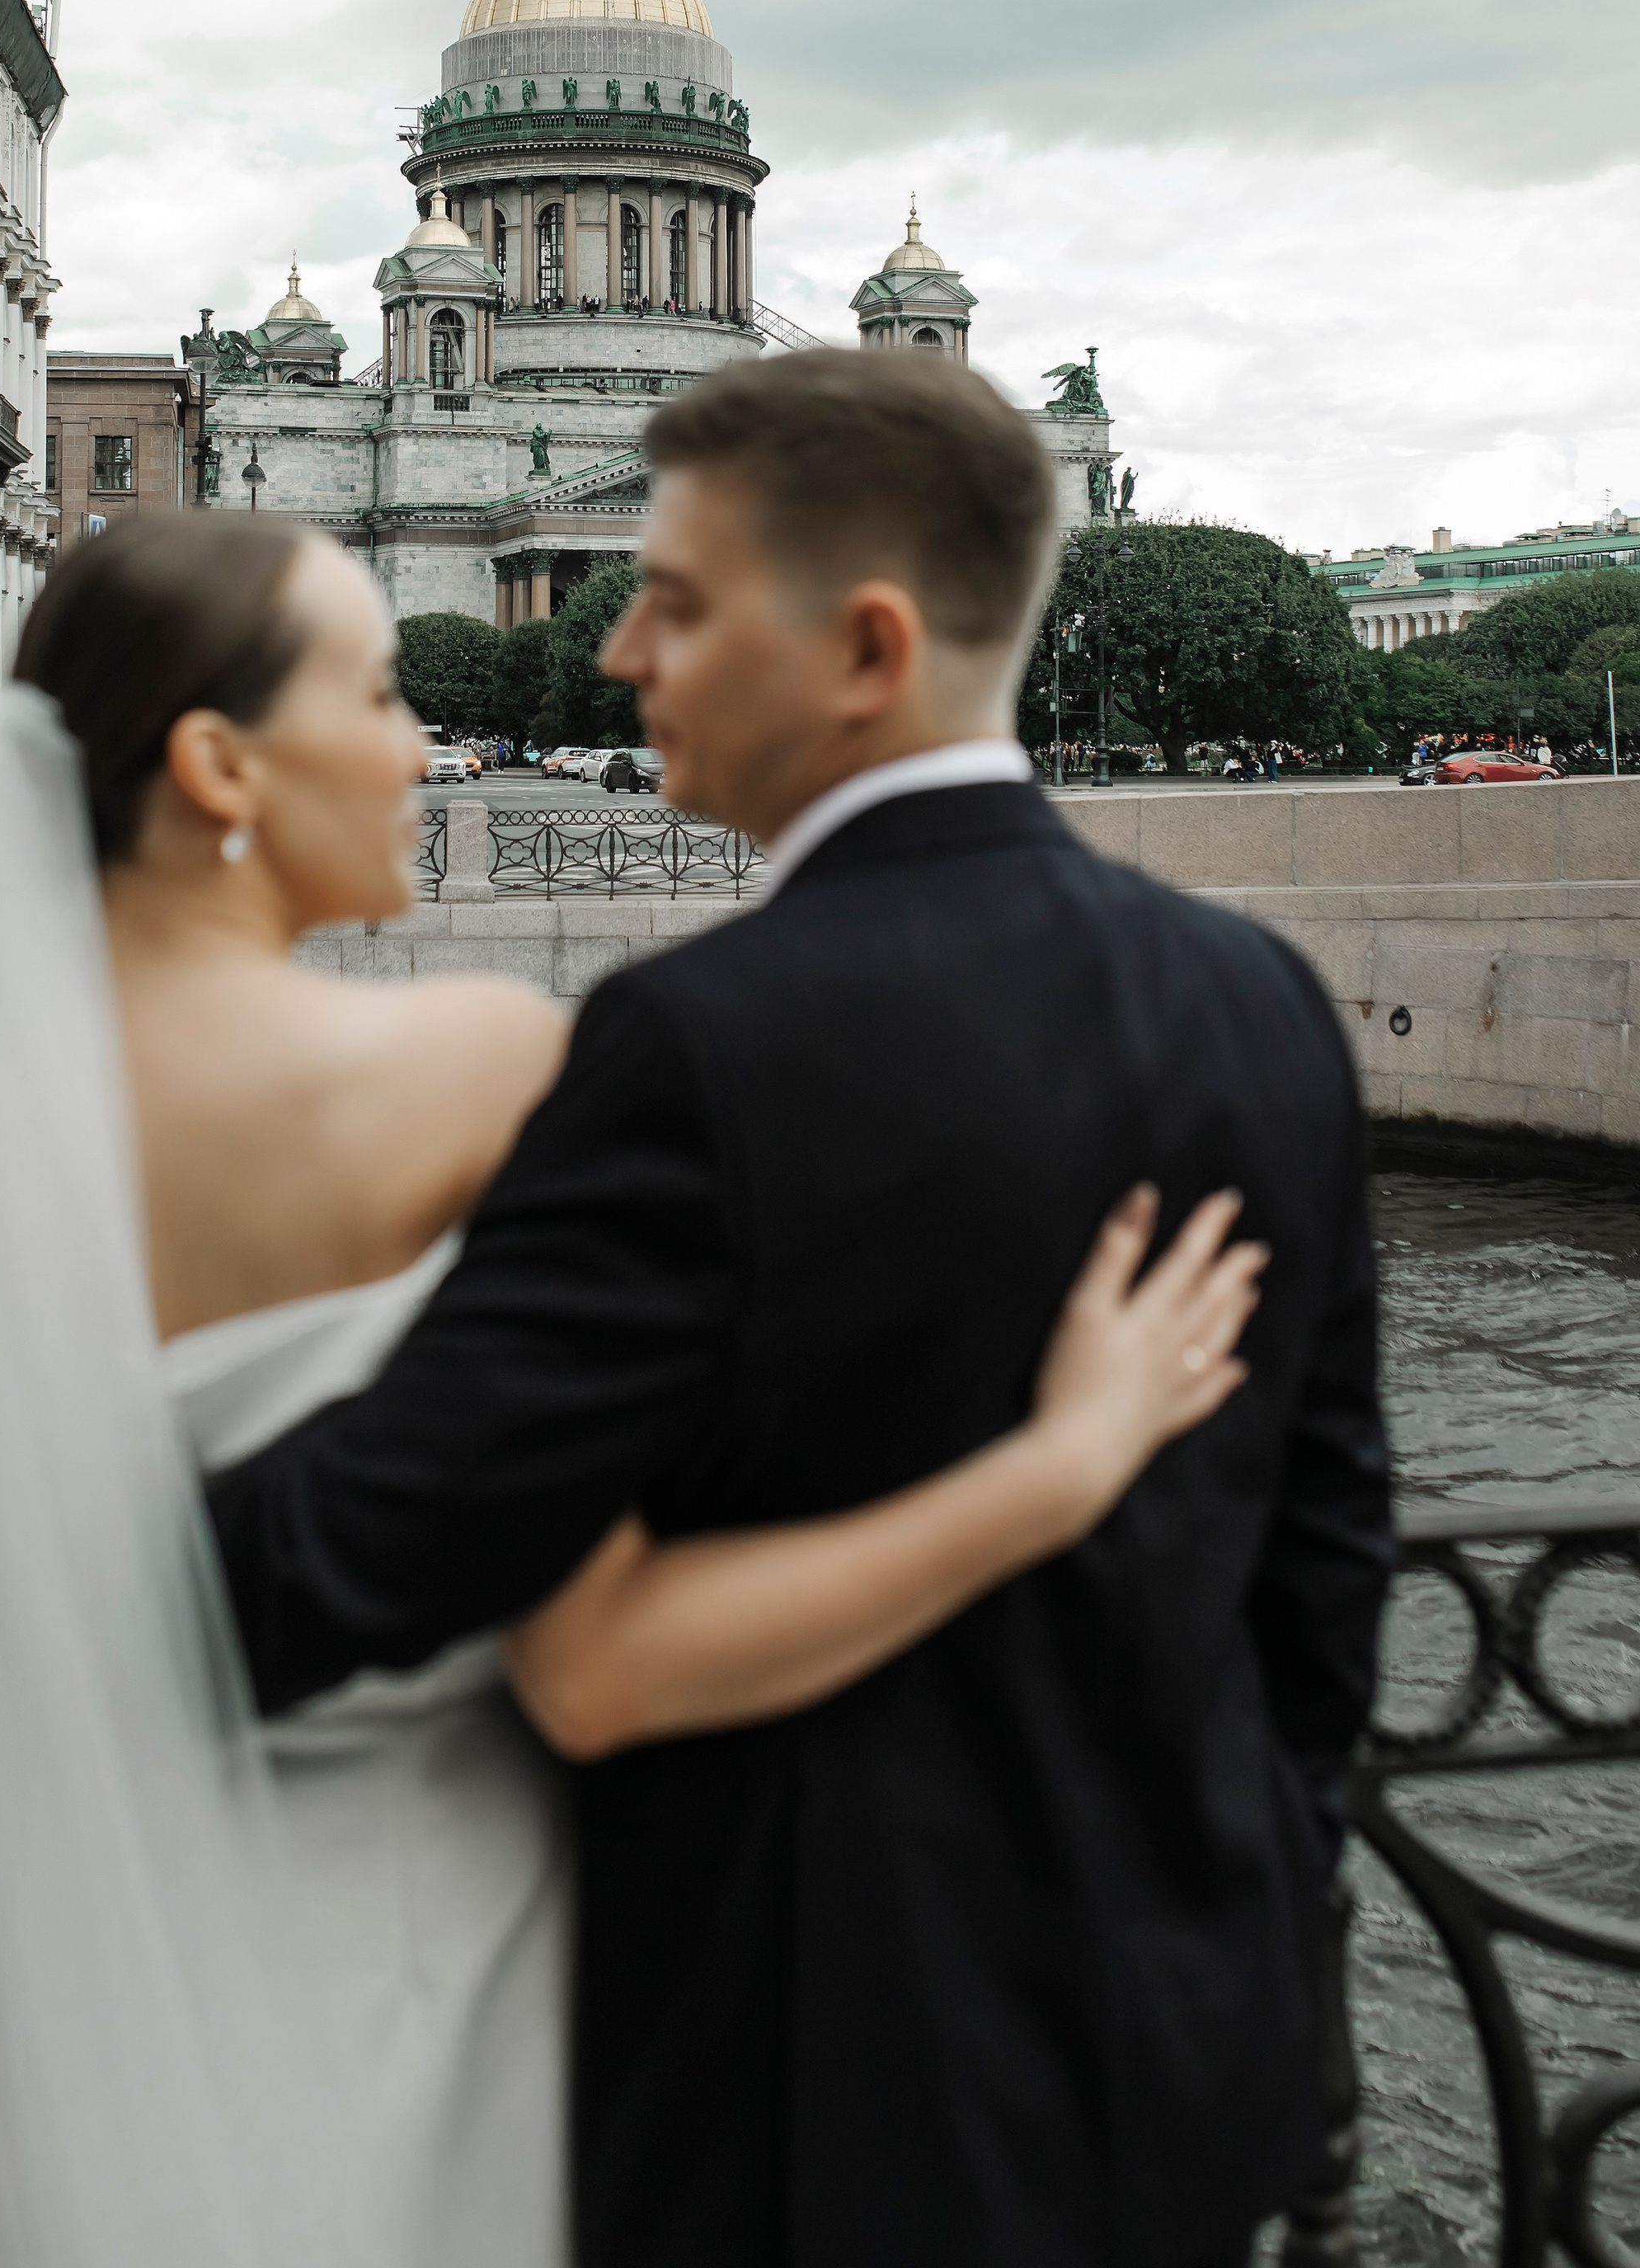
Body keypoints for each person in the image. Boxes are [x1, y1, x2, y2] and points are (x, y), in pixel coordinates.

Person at [0, 507, 1266, 2268]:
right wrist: (1060, 1463)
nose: (424, 746)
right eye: (378, 692)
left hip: (57, 2059)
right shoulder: (469, 1063)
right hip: (418, 1990)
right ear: (218, 766)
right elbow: (598, 1665)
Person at [209, 350, 1391, 2268]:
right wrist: (1231, 1894)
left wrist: (6, 1580)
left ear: (859, 645)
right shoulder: (1252, 998)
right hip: (1185, 2066)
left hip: (806, 2107)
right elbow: (1324, 1567)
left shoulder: (696, 1041)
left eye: (671, 603)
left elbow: (362, 1545)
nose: (614, 657)